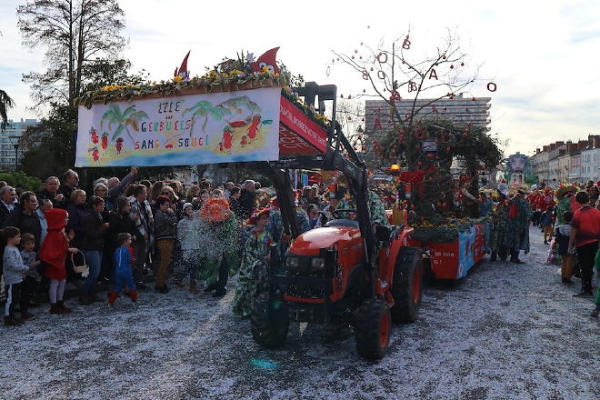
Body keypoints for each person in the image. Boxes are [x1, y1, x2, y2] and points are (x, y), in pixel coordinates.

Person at [232, 208, 273, 319]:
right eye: (263, 218)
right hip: (251, 267)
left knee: (260, 288)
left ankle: (256, 309)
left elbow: (271, 245)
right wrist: (262, 259)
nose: (266, 220)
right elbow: (249, 251)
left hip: (263, 265)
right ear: (257, 220)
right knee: (248, 288)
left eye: (266, 218)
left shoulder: (267, 233)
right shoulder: (253, 234)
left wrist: (271, 252)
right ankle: (245, 311)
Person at [198, 197, 238, 297]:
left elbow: (231, 231)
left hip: (226, 246)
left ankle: (221, 288)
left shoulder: (230, 215)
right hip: (213, 245)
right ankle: (213, 284)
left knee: (223, 267)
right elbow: (204, 229)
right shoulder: (207, 213)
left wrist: (220, 228)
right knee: (212, 265)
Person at [568, 191, 600, 297]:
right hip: (595, 243)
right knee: (592, 265)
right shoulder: (597, 212)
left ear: (577, 201)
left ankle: (586, 290)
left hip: (582, 243)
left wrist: (570, 244)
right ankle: (592, 287)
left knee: (585, 267)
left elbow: (574, 230)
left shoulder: (578, 213)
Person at [79, 196, 109, 305]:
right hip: (91, 248)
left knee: (96, 272)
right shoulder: (89, 217)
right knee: (94, 272)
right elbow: (91, 234)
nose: (103, 206)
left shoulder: (97, 215)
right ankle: (84, 293)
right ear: (94, 206)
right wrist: (103, 228)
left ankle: (90, 292)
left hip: (97, 247)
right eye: (100, 205)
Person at [2, 227, 31, 326]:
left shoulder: (14, 249)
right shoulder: (8, 250)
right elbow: (12, 265)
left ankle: (12, 316)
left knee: (15, 299)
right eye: (18, 237)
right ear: (10, 239)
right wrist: (24, 268)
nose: (20, 239)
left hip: (17, 278)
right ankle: (8, 317)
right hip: (11, 279)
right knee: (10, 299)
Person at [129, 184, 154, 288]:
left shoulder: (145, 203)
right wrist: (142, 233)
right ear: (139, 193)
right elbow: (134, 221)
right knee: (133, 260)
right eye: (145, 192)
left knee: (141, 260)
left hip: (146, 234)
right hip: (136, 236)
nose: (147, 194)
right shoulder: (132, 203)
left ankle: (138, 280)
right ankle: (130, 282)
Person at [174, 202, 201, 292]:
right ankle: (178, 277)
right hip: (186, 247)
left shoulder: (196, 221)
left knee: (195, 266)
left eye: (191, 209)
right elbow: (179, 236)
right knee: (188, 265)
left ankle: (192, 284)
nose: (190, 211)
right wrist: (184, 233)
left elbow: (199, 231)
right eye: (187, 209)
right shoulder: (181, 222)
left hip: (195, 245)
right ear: (184, 211)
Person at [152, 196, 177, 293]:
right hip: (164, 240)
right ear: (160, 205)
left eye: (168, 205)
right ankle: (160, 284)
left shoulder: (162, 213)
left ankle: (161, 282)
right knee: (164, 262)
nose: (168, 207)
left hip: (167, 239)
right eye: (166, 205)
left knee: (165, 262)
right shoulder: (160, 214)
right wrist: (173, 213)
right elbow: (173, 222)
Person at [108, 233, 138, 306]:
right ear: (125, 241)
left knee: (118, 287)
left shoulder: (117, 250)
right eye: (129, 239)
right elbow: (130, 260)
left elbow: (115, 260)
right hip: (126, 271)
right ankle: (134, 301)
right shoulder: (128, 250)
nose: (131, 241)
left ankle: (110, 302)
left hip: (118, 271)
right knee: (131, 286)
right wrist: (133, 260)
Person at [19, 232, 41, 318]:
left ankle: (26, 309)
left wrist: (37, 276)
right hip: (24, 277)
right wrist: (32, 265)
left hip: (32, 276)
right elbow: (22, 267)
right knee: (25, 294)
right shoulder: (22, 254)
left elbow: (34, 268)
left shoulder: (33, 254)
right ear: (23, 245)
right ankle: (23, 311)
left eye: (32, 243)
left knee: (30, 294)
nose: (31, 245)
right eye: (28, 244)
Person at [507, 189, 531, 263]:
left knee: (512, 240)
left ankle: (511, 256)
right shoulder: (523, 202)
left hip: (511, 224)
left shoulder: (511, 200)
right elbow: (528, 214)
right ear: (522, 195)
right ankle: (515, 258)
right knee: (517, 240)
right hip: (520, 225)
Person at [554, 210, 575, 284]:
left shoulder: (559, 227)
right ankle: (568, 278)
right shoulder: (574, 228)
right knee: (570, 263)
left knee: (564, 262)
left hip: (562, 246)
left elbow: (557, 239)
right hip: (571, 247)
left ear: (563, 218)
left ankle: (563, 277)